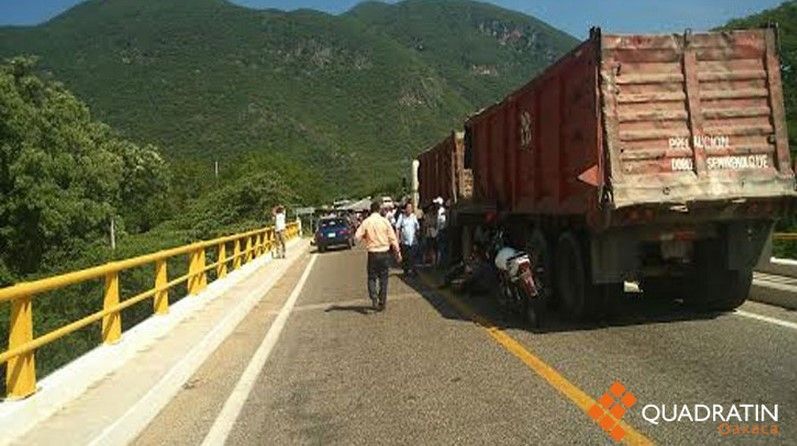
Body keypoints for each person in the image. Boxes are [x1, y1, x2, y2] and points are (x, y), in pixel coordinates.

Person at [355, 200, 402, 311]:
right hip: (384, 253)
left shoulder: (366, 222)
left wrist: (365, 237)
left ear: (371, 210)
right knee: (384, 278)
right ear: (379, 209)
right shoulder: (385, 222)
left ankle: (374, 298)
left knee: (372, 277)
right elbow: (393, 239)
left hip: (372, 253)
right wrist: (397, 253)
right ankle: (382, 301)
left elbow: (357, 237)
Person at [395, 202, 420, 276]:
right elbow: (397, 228)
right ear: (405, 209)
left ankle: (413, 270)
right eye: (408, 208)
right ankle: (406, 270)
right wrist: (397, 238)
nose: (409, 209)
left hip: (413, 241)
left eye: (411, 208)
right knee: (406, 257)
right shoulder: (401, 217)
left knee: (413, 256)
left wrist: (418, 233)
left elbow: (417, 227)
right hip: (404, 241)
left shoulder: (413, 217)